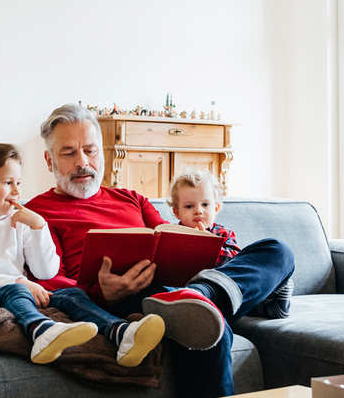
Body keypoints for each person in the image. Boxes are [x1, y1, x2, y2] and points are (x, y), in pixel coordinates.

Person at [24, 104, 295, 397]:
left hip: (178, 287)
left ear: (102, 152)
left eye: (90, 150)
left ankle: (205, 295)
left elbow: (168, 238)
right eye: (68, 153)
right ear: (49, 160)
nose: (82, 162)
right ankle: (217, 299)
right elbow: (51, 283)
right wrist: (101, 293)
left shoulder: (132, 198)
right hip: (125, 301)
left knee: (277, 250)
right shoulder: (36, 214)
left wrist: (196, 244)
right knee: (206, 328)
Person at [0, 141, 165, 367]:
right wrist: (20, 281)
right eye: (8, 183)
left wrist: (39, 227)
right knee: (17, 290)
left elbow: (46, 270)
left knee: (71, 295)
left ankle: (121, 332)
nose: (17, 192)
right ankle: (41, 331)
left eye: (18, 182)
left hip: (20, 293)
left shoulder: (20, 221)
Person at [167, 167, 294, 319]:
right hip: (184, 289)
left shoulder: (222, 233)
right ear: (177, 212)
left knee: (276, 249)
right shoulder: (172, 235)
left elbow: (235, 262)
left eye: (205, 205)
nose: (198, 211)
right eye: (189, 206)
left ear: (216, 208)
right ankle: (197, 296)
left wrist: (210, 246)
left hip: (225, 287)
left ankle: (268, 301)